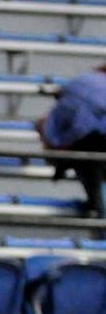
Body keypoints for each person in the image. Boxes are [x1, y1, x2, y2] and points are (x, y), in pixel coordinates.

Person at [37, 67, 106, 220]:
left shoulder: (80, 84)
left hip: (93, 146)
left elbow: (72, 129)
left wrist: (59, 148)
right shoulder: (90, 85)